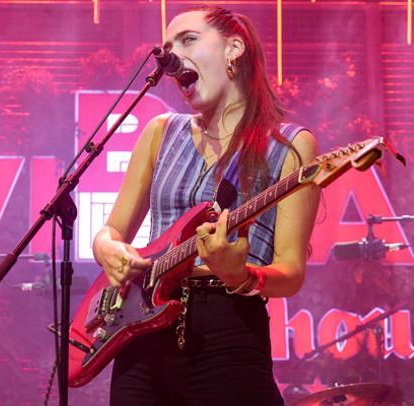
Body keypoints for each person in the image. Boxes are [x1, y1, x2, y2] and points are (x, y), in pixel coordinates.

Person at [93, 6, 320, 405]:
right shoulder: (160, 132)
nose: (173, 55)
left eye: (188, 40)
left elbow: (292, 270)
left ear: (234, 49)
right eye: (167, 47)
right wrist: (108, 249)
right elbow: (112, 231)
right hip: (142, 334)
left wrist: (242, 275)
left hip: (228, 330)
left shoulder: (289, 145)